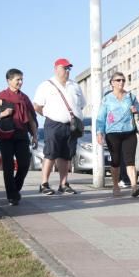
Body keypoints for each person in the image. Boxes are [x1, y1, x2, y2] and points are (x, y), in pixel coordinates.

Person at [33, 58, 86, 196]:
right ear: (56, 69)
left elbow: (81, 104)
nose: (67, 71)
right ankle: (44, 184)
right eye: (65, 68)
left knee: (66, 155)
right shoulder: (46, 85)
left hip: (71, 126)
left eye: (69, 68)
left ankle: (64, 184)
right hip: (54, 124)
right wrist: (48, 114)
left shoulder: (74, 85)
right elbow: (37, 106)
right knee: (50, 153)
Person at [95, 72, 139, 198]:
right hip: (113, 133)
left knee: (130, 161)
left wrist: (136, 111)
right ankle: (115, 186)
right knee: (115, 161)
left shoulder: (130, 97)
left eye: (123, 80)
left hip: (129, 132)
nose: (121, 82)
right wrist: (99, 132)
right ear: (112, 83)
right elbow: (101, 117)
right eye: (118, 80)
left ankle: (134, 187)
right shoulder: (107, 99)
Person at [0, 68, 38, 205]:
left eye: (21, 79)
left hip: (21, 133)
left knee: (24, 163)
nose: (20, 82)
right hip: (5, 134)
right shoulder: (0, 96)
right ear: (9, 81)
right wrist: (4, 114)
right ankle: (12, 196)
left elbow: (31, 118)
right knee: (8, 165)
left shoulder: (24, 97)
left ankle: (15, 189)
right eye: (17, 79)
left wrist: (35, 135)